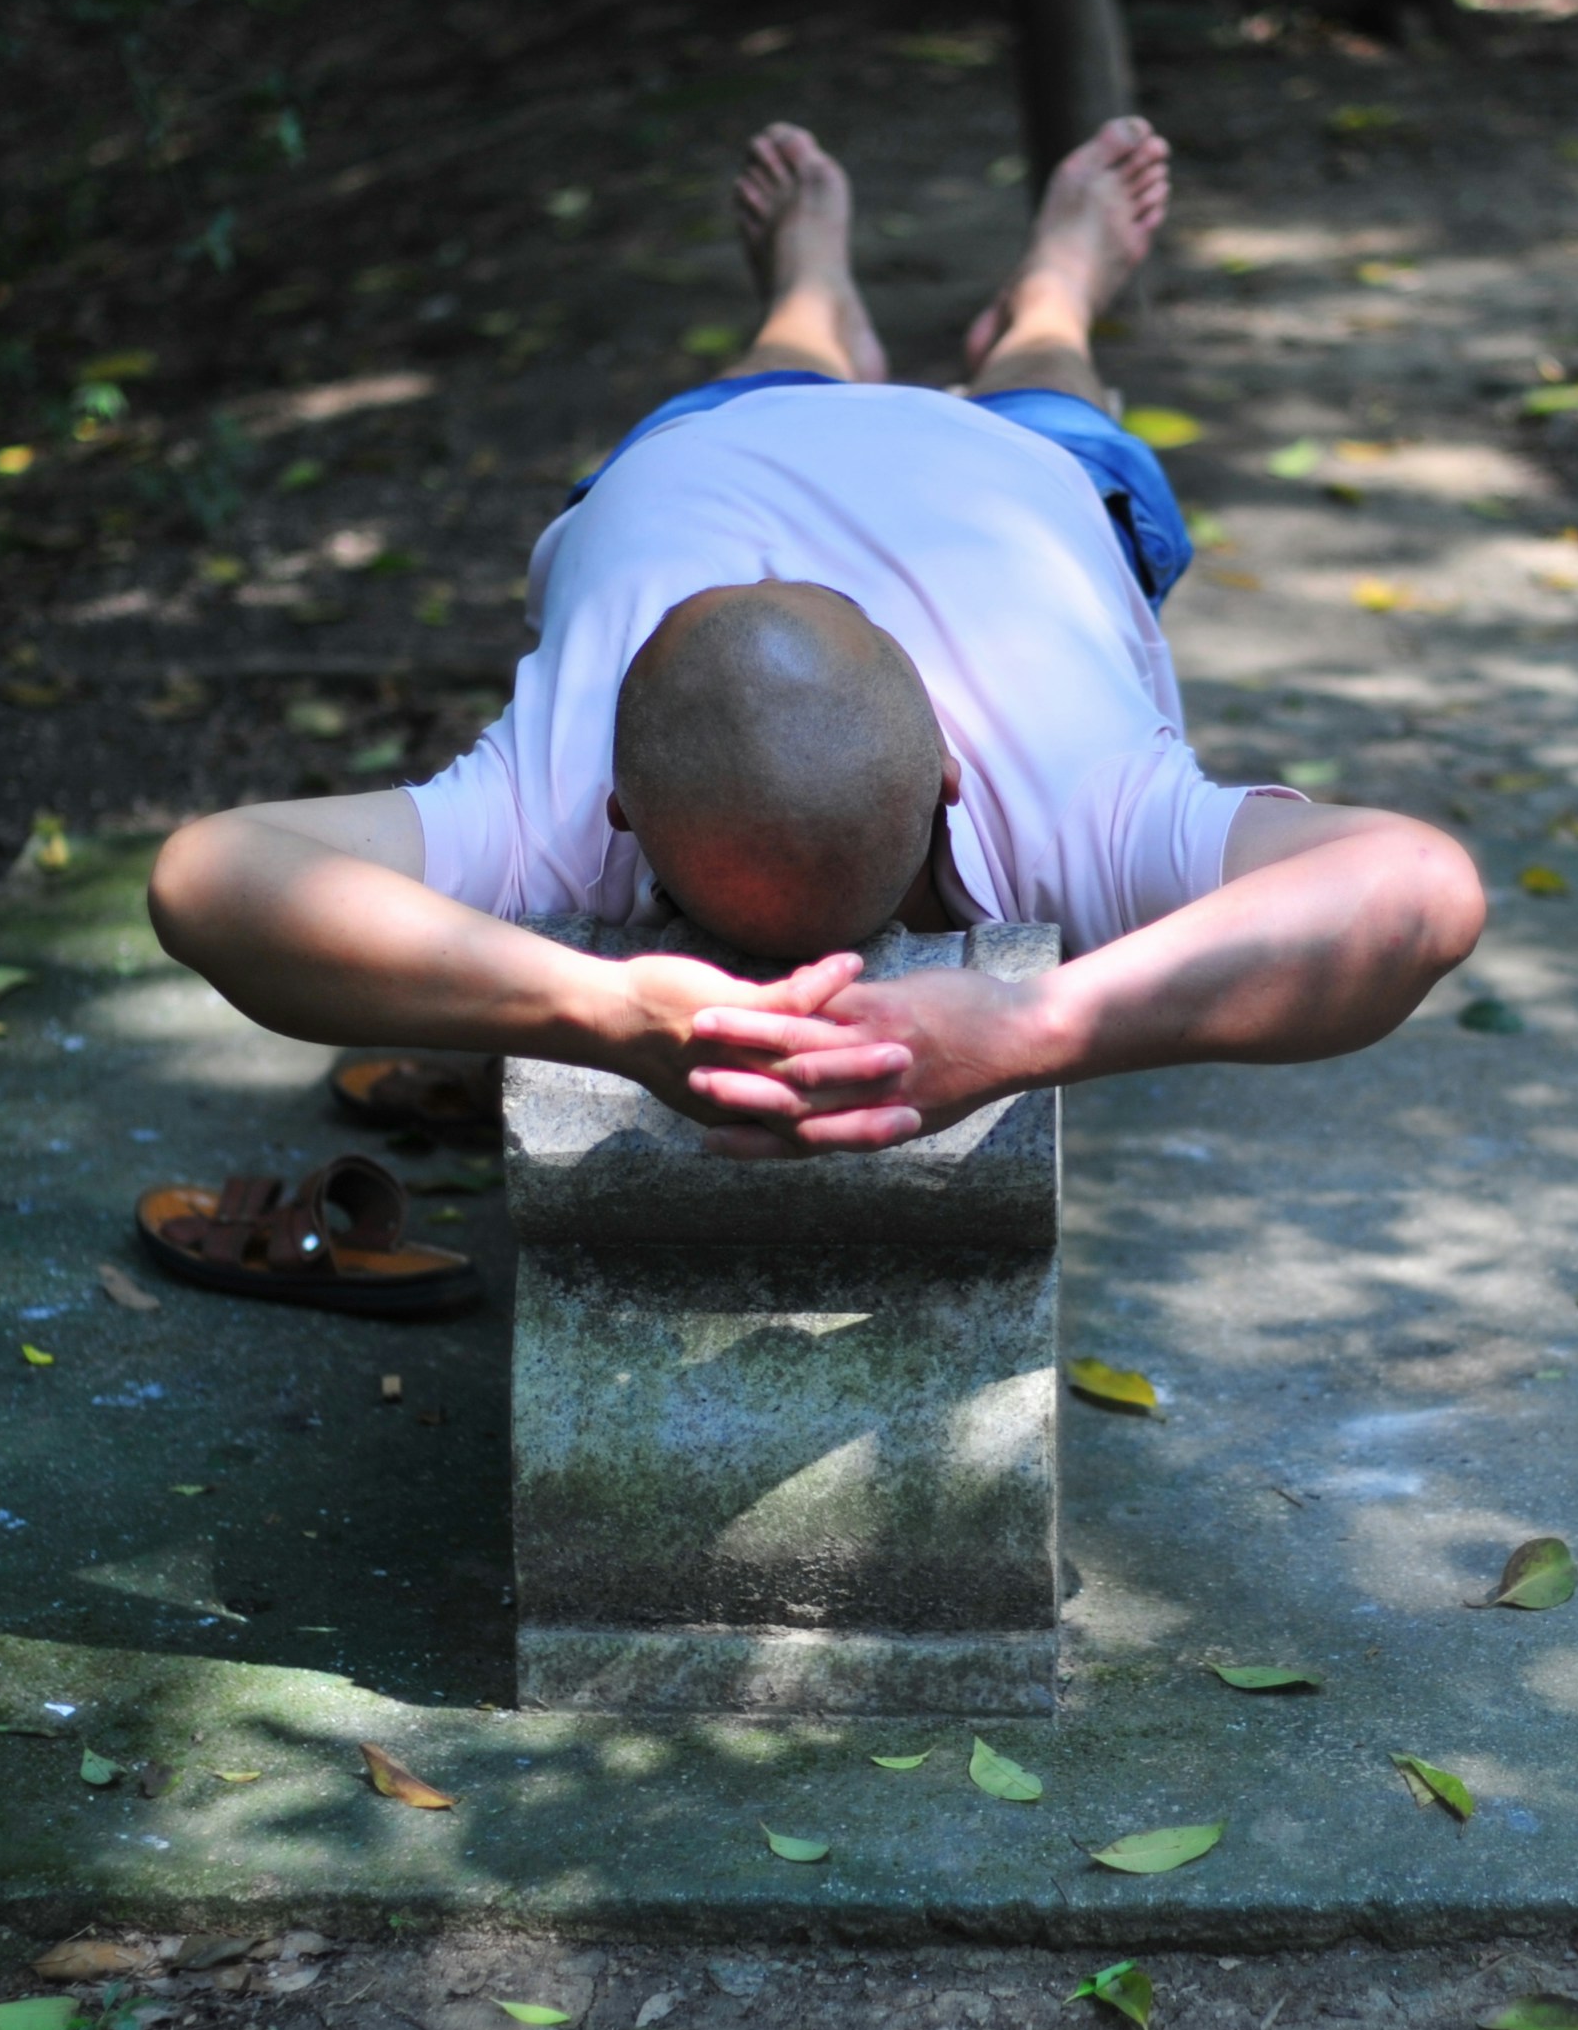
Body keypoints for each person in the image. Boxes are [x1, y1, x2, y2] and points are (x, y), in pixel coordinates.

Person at [135, 116, 1484, 1301]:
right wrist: (590, 1012)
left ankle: (1040, 297)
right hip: (712, 459)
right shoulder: (571, 790)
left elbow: (1421, 895)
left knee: (1052, 403)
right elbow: (206, 882)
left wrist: (1040, 1024)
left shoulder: (1067, 786)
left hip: (993, 475)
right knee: (823, 379)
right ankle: (821, 293)